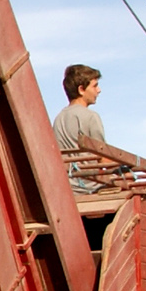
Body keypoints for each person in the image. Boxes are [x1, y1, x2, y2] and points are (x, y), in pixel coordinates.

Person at [50, 64, 106, 195]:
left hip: (69, 188)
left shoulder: (59, 119)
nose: (99, 90)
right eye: (95, 86)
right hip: (90, 187)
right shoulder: (91, 116)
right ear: (81, 89)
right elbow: (103, 157)